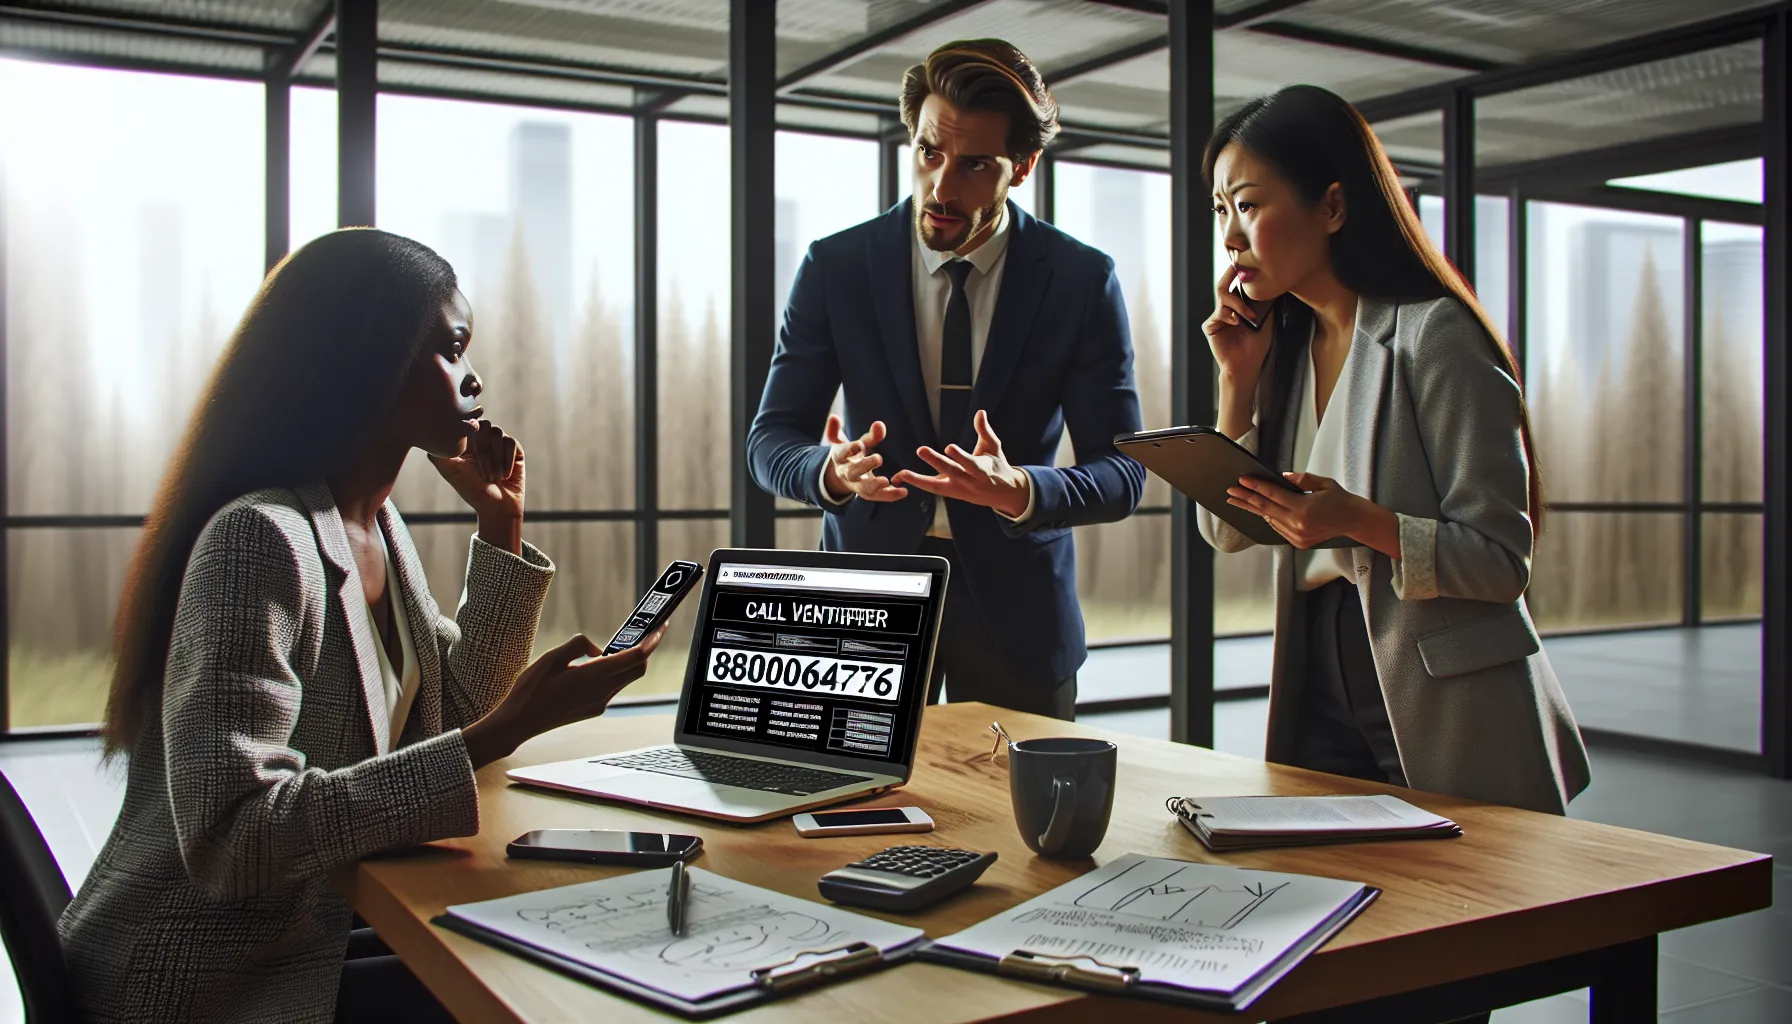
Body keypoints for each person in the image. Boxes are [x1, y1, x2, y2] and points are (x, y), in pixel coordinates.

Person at [59, 228, 664, 1024]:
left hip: (301, 930)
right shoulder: (260, 540)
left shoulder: (377, 529)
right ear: (367, 358)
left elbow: (454, 708)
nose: (475, 378)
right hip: (204, 979)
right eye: (452, 349)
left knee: (549, 952)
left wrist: (501, 525)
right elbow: (234, 841)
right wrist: (505, 731)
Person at [1199, 85, 1590, 820]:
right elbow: (1225, 531)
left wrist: (1357, 521)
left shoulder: (1434, 335)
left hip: (1435, 688)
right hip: (1315, 671)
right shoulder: (1283, 347)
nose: (1230, 237)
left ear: (1333, 206)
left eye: (1247, 204)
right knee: (1323, 879)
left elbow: (1501, 562)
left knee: (1453, 887)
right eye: (1221, 210)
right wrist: (1236, 383)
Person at [748, 39, 1146, 720]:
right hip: (863, 613)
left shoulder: (1080, 281)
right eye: (929, 152)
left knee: (1015, 797)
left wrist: (1022, 489)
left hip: (1021, 617)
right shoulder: (836, 268)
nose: (941, 187)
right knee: (850, 792)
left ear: (1023, 166)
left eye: (975, 165)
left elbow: (1122, 471)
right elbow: (770, 441)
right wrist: (830, 472)